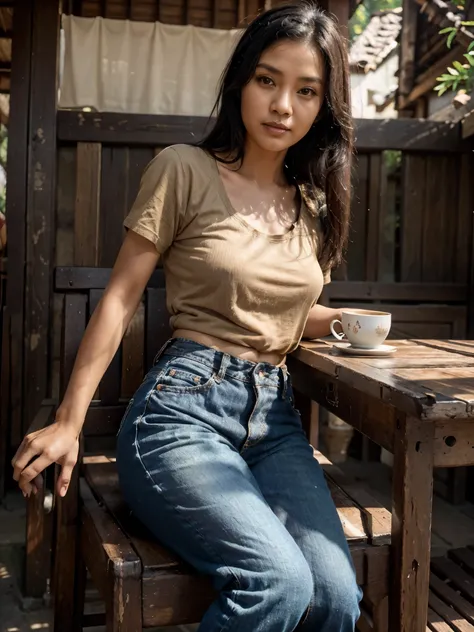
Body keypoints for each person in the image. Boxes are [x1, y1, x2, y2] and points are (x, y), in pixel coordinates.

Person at [12, 2, 362, 630]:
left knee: (335, 597)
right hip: (182, 413)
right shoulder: (184, 169)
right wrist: (69, 421)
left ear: (323, 107)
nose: (283, 105)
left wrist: (342, 324)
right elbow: (120, 300)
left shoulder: (314, 206)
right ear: (240, 85)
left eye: (306, 91)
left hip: (275, 423)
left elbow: (291, 310)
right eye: (267, 80)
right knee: (276, 583)